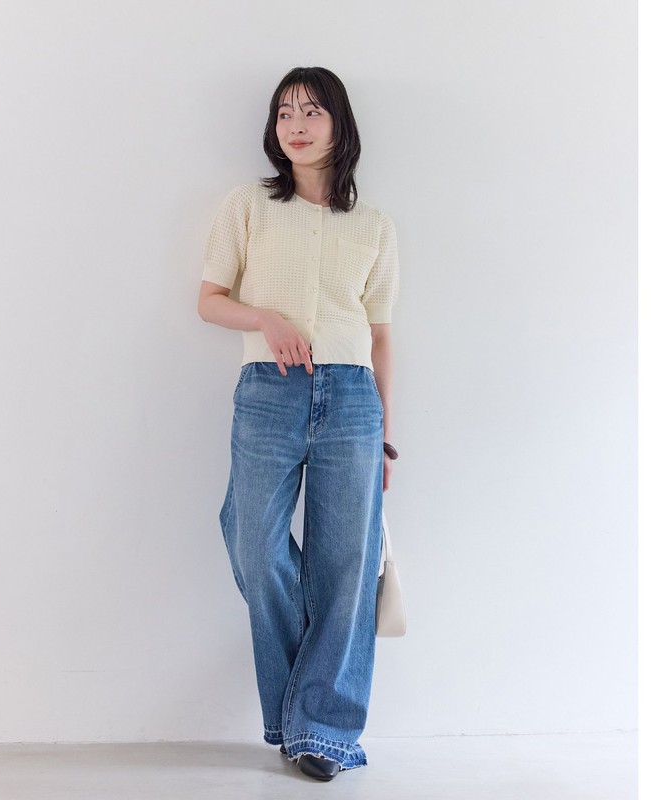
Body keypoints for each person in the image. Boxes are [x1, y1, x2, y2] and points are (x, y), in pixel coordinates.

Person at [197, 66, 400, 781]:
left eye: (311, 112)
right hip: (269, 391)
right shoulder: (249, 205)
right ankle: (302, 711)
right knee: (252, 542)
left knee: (346, 565)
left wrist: (384, 434)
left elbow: (381, 336)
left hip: (352, 398)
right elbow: (209, 299)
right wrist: (266, 318)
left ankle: (322, 732)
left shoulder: (374, 225)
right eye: (285, 113)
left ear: (339, 124)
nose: (296, 126)